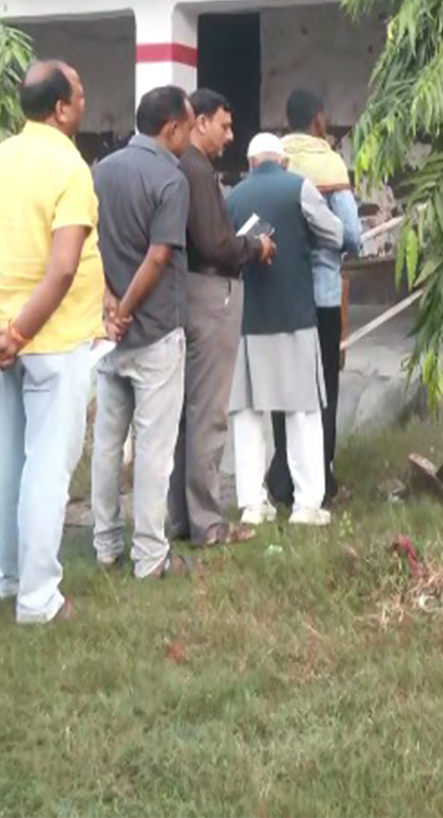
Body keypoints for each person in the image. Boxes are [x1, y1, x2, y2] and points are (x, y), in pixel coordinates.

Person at [0, 61, 103, 625]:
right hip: (52, 339)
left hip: (6, 340)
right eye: (82, 95)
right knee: (48, 465)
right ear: (61, 108)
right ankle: (38, 598)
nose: (84, 103)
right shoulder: (70, 167)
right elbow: (64, 267)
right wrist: (16, 335)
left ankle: (11, 577)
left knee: (8, 460)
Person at [91, 86, 194, 578]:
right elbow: (159, 256)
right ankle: (150, 557)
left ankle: (106, 546)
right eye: (189, 128)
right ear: (170, 127)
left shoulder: (100, 171)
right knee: (154, 450)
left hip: (108, 334)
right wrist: (127, 307)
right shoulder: (170, 180)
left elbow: (84, 244)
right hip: (153, 331)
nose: (189, 138)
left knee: (108, 443)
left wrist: (109, 305)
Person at [169, 88, 272, 548]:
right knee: (208, 413)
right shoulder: (194, 168)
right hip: (211, 292)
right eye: (225, 126)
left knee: (185, 414)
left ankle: (182, 517)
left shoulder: (183, 166)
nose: (230, 137)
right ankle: (207, 522)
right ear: (201, 122)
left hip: (187, 291)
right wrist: (255, 247)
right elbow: (215, 244)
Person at [226, 133, 344, 527]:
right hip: (295, 316)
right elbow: (336, 234)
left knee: (248, 413)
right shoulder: (300, 188)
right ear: (285, 161)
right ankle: (307, 504)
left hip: (249, 319)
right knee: (303, 411)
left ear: (250, 161)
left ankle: (252, 504)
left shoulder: (234, 196)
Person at [277, 88, 363, 505]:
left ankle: (282, 479)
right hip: (323, 296)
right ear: (318, 120)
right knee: (323, 385)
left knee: (283, 389)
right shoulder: (329, 163)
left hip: (279, 295)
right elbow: (352, 234)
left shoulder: (275, 160)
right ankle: (321, 479)